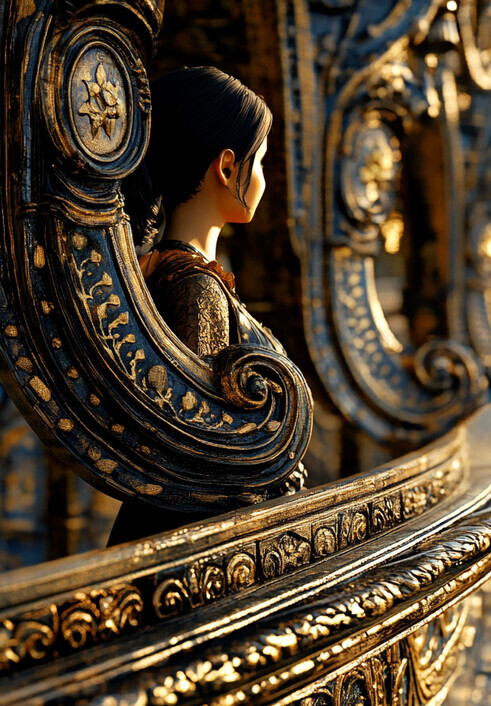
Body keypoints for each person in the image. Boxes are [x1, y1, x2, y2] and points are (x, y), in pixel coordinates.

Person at [108, 67, 305, 545]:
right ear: (226, 167)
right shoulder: (196, 288)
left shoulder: (166, 270)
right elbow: (209, 453)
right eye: (258, 161)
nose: (261, 177)